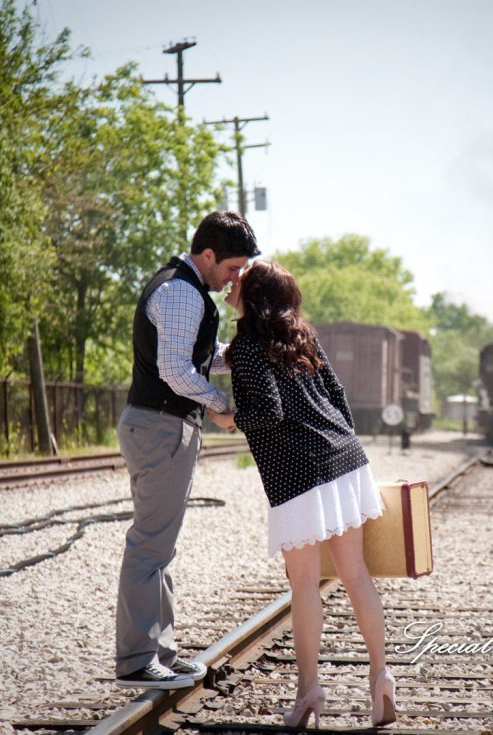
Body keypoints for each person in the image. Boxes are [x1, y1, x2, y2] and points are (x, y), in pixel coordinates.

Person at [223, 261, 397, 728]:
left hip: (299, 474)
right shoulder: (302, 335)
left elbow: (269, 412)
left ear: (252, 296)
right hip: (346, 459)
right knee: (355, 573)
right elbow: (338, 396)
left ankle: (308, 693)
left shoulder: (248, 348)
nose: (230, 284)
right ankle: (381, 678)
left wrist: (230, 419)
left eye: (238, 282)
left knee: (303, 585)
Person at [113, 211, 259, 689]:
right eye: (234, 267)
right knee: (150, 545)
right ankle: (137, 660)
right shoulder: (180, 291)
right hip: (160, 426)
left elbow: (200, 356)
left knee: (161, 545)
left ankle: (161, 650)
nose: (236, 278)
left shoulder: (187, 290)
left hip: (164, 426)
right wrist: (220, 406)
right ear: (209, 255)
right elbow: (177, 370)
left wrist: (244, 352)